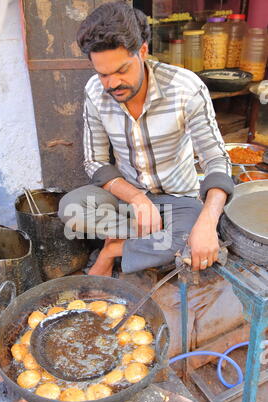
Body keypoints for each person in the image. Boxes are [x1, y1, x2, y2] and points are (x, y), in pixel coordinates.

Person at [58, 1, 233, 277]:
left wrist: (208, 223)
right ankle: (151, 243)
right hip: (128, 201)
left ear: (142, 51)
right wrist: (137, 198)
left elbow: (216, 159)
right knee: (72, 208)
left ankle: (113, 249)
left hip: (178, 201)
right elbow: (96, 162)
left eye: (121, 70)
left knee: (196, 233)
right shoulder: (95, 92)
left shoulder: (185, 88)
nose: (112, 83)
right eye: (103, 74)